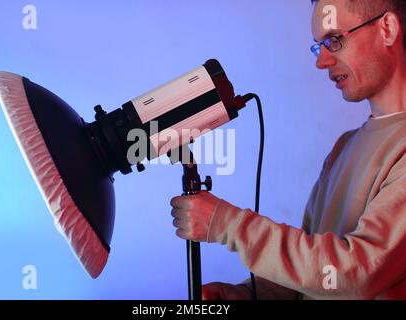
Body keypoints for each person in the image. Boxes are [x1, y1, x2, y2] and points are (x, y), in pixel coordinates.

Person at [170, 0, 406, 299]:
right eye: (318, 46)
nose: (321, 62)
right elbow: (316, 269)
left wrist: (228, 225)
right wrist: (249, 294)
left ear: (387, 29)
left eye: (335, 40)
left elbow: (357, 273)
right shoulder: (344, 147)